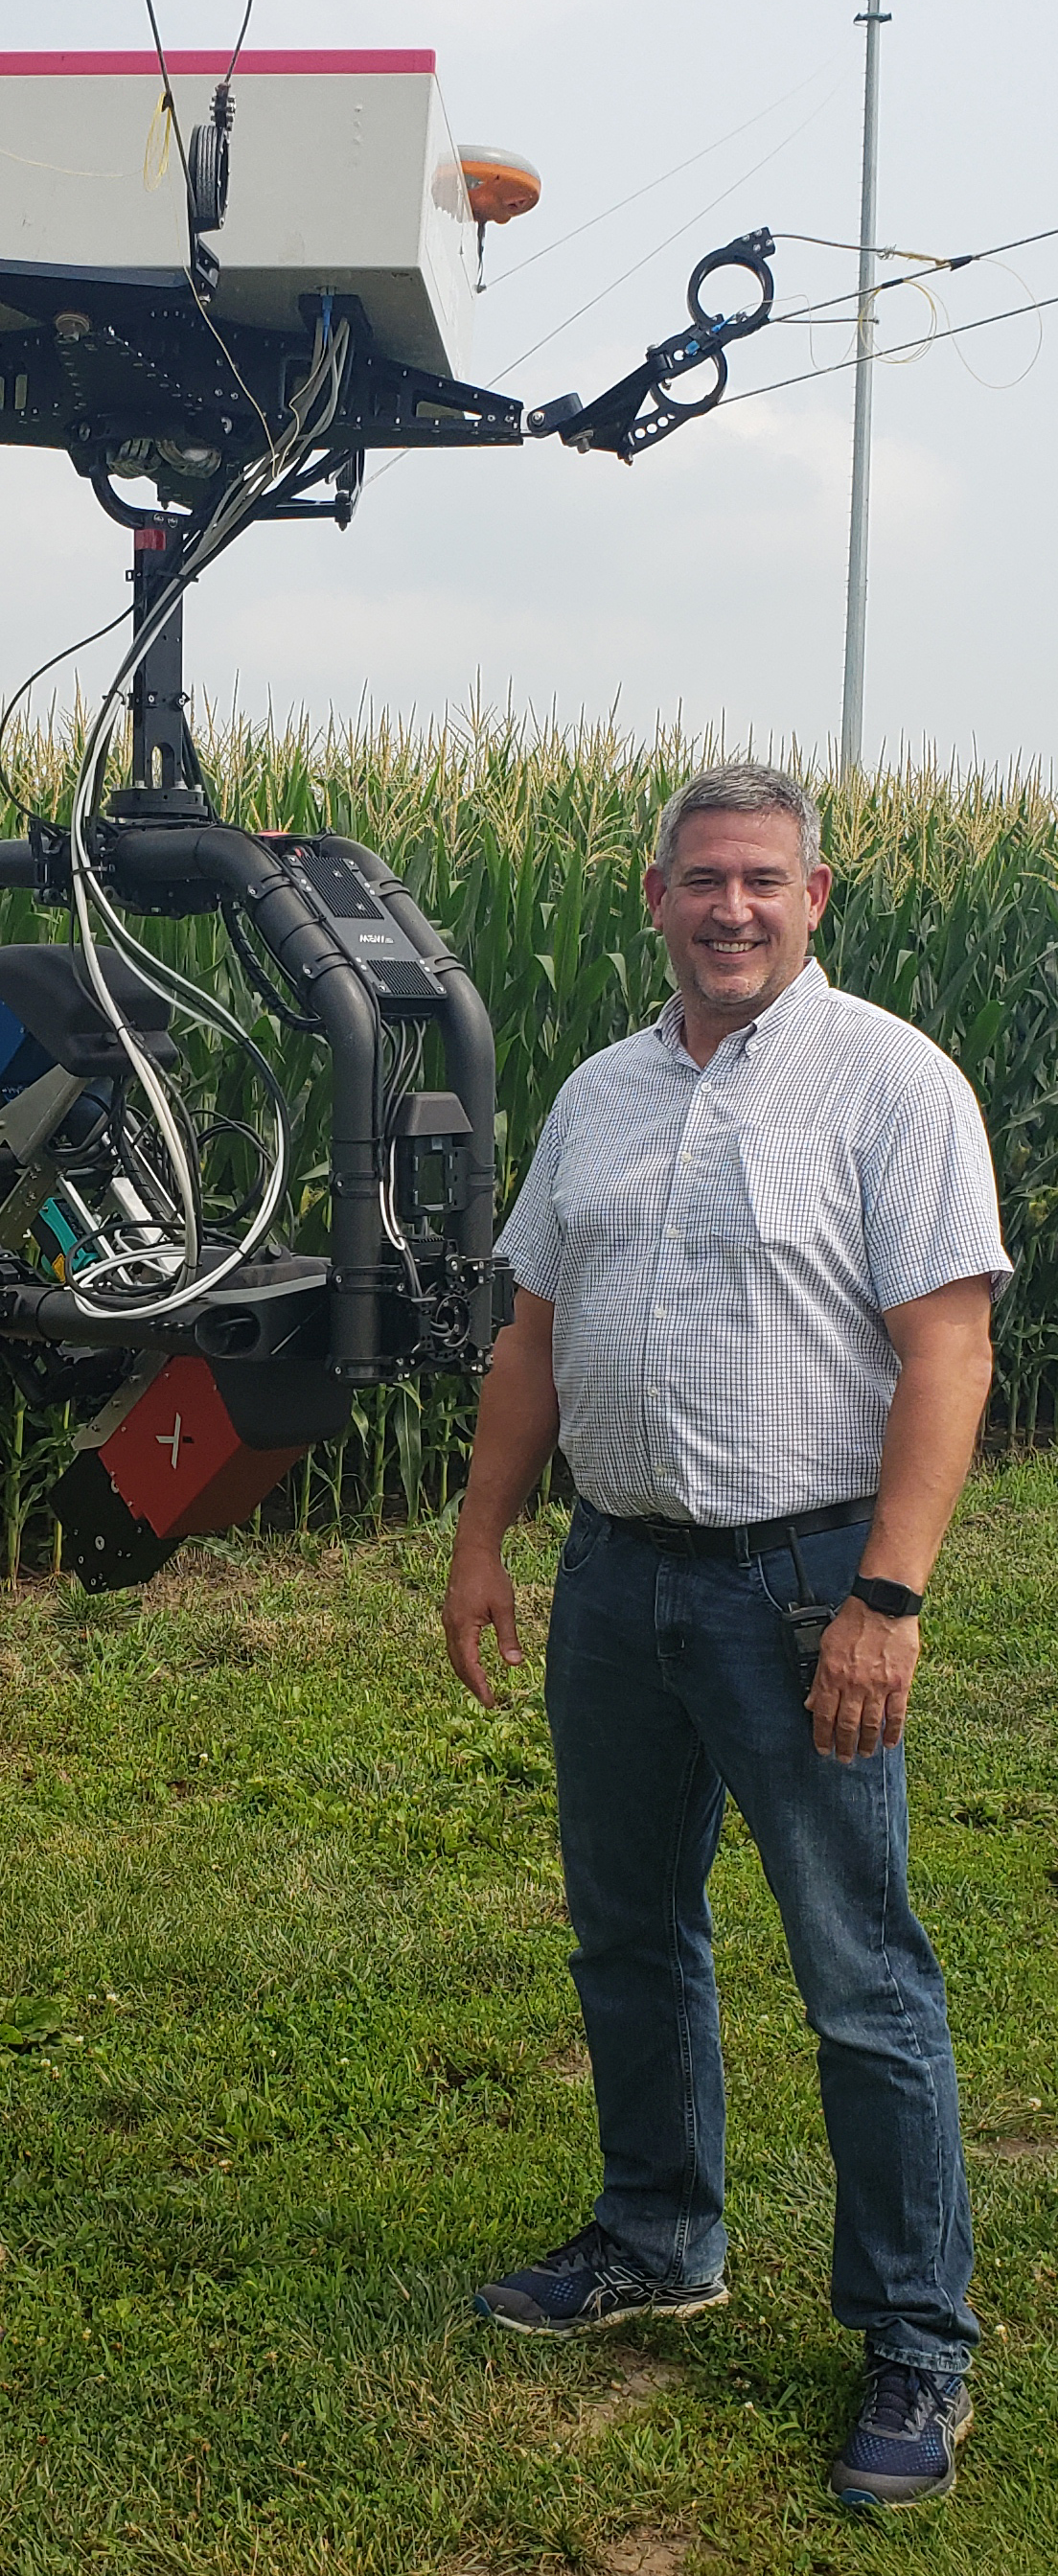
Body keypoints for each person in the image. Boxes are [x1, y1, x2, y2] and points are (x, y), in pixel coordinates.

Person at [442, 761, 1011, 2512]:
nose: (732, 909)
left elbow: (949, 1351)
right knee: (627, 1929)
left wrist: (887, 1598)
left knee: (860, 1972)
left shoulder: (891, 1083)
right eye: (703, 881)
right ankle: (657, 2233)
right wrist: (482, 1541)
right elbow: (533, 1336)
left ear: (815, 896)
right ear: (654, 894)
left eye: (764, 880)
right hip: (619, 1579)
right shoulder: (601, 1093)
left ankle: (918, 2335)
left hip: (801, 1586)